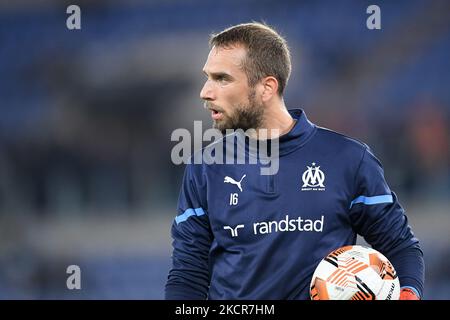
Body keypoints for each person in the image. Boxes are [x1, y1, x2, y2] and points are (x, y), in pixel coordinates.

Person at [165, 22, 424, 300]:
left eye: (222, 79)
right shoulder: (204, 167)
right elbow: (188, 273)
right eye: (208, 77)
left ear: (266, 87)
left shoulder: (348, 159)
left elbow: (399, 246)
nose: (205, 91)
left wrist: (408, 293)